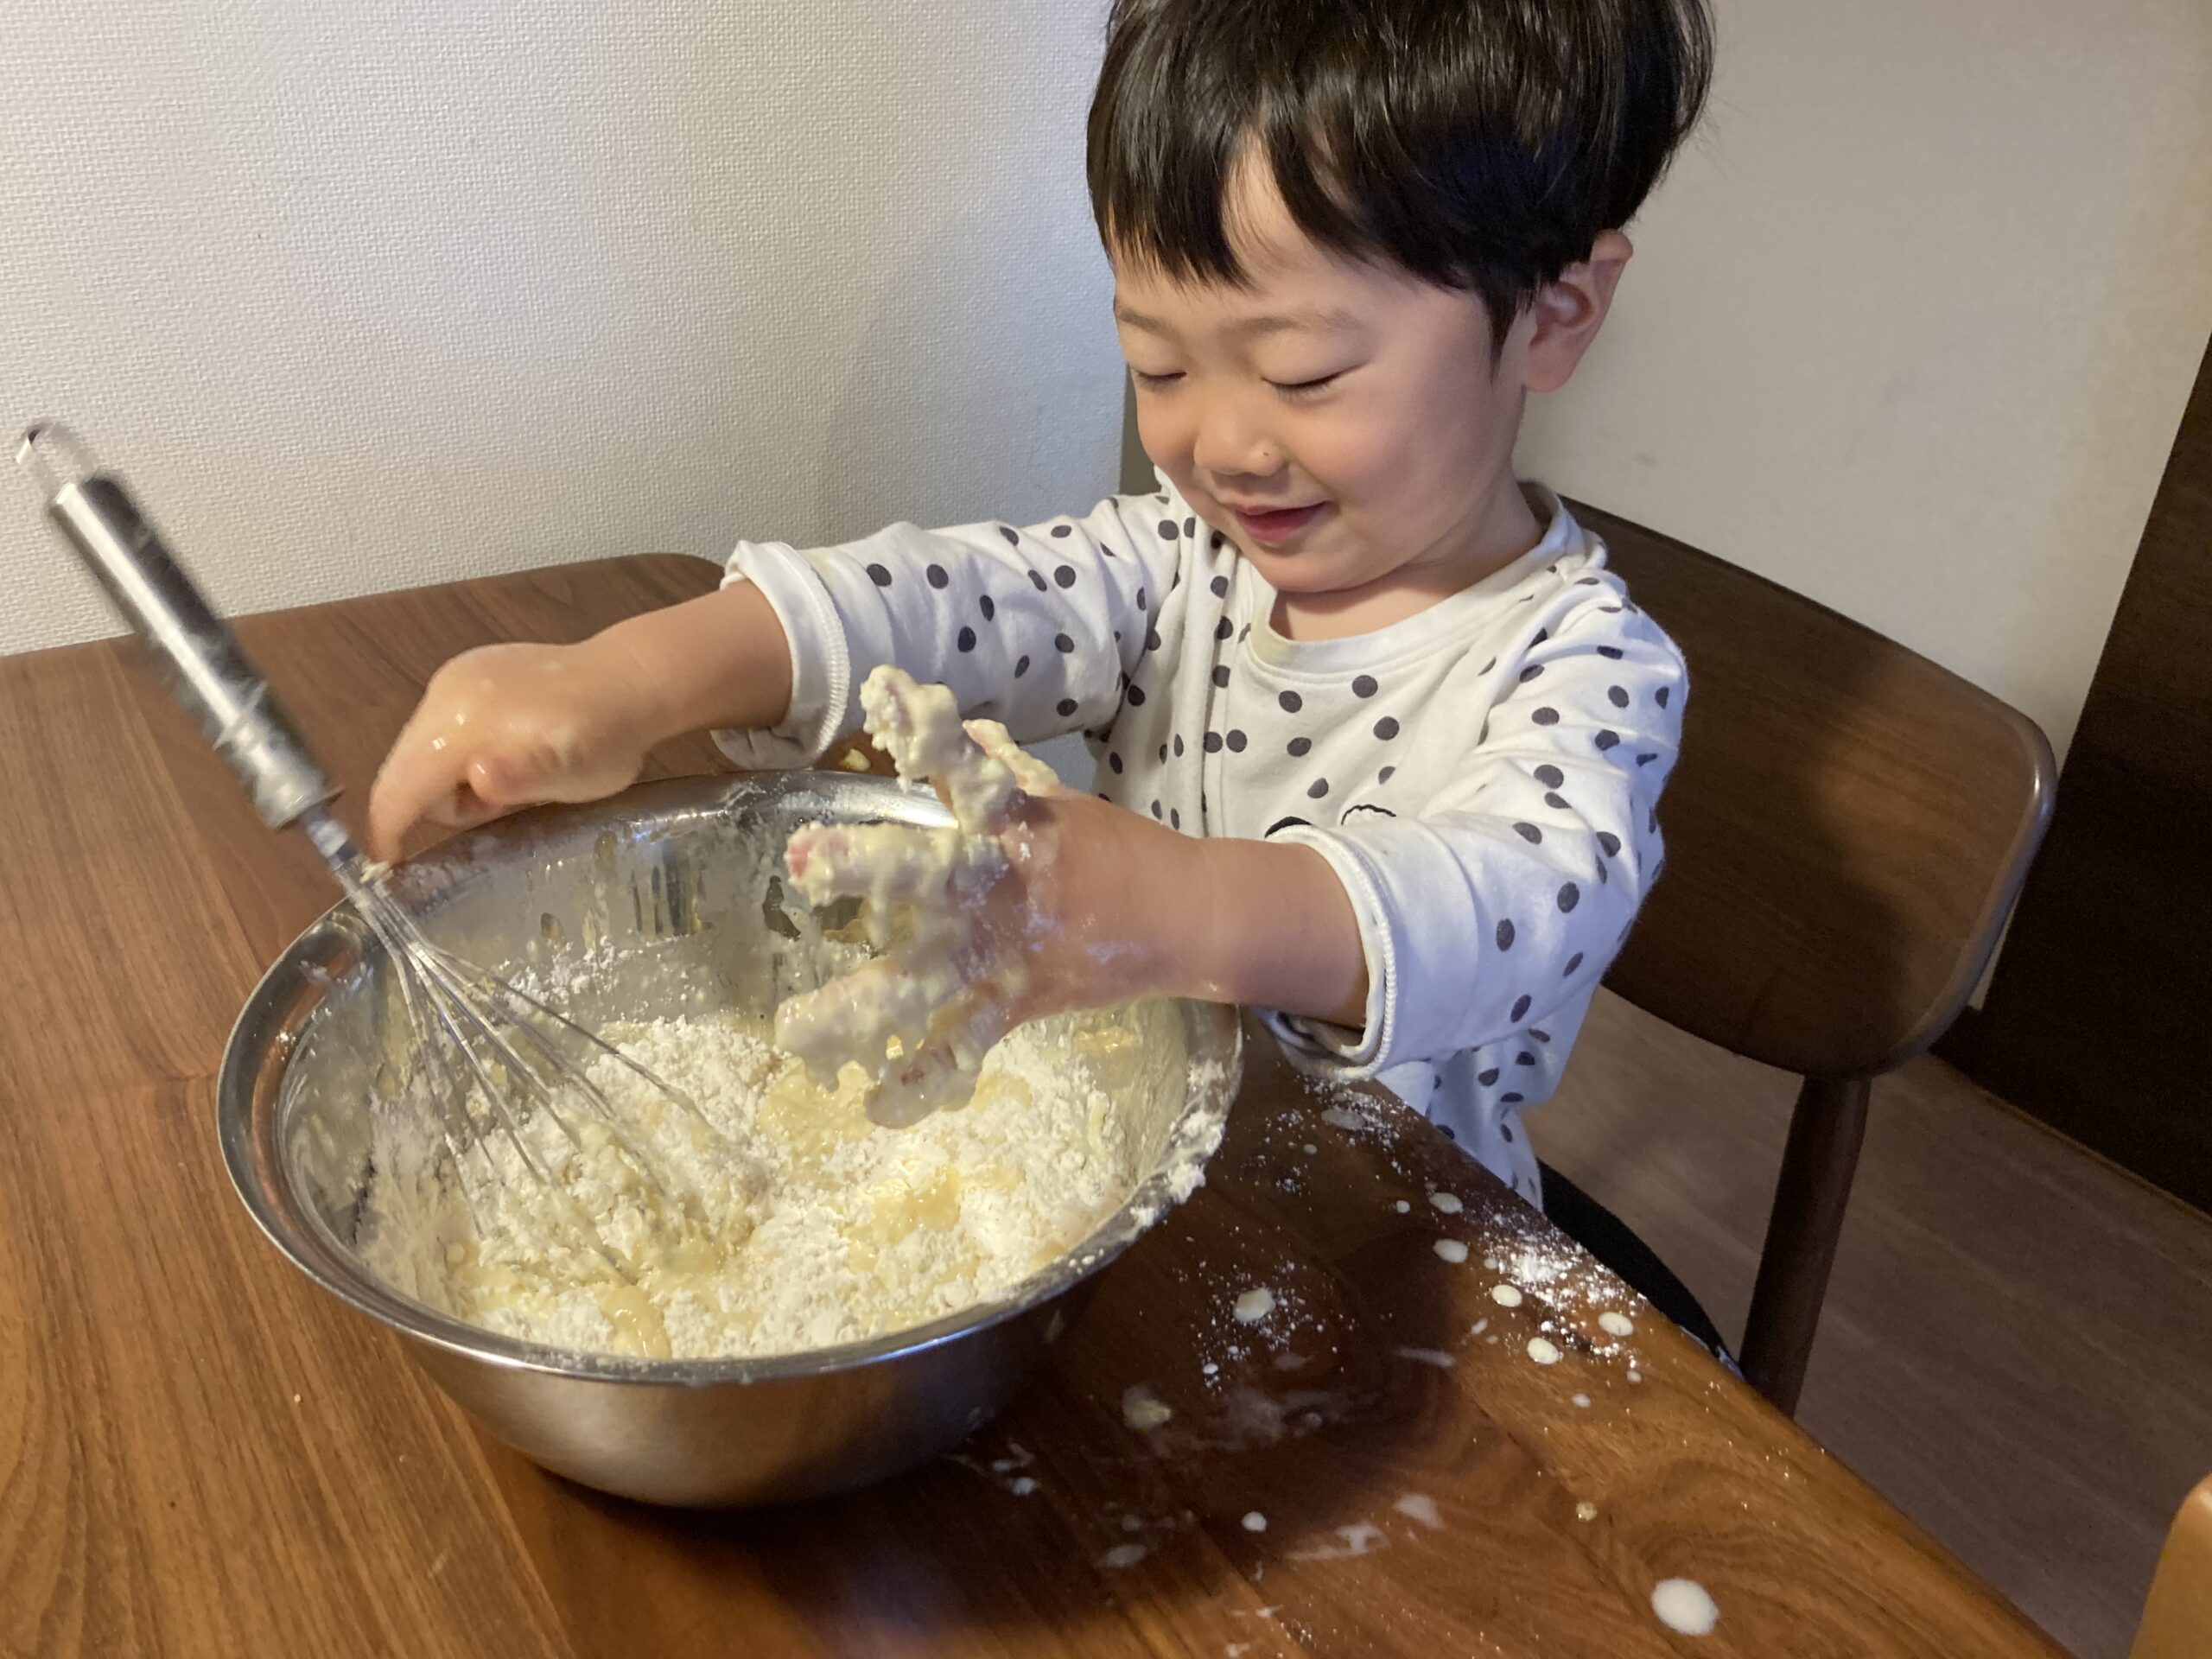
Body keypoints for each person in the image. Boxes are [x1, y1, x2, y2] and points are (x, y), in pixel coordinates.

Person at [369, 0, 1713, 1224]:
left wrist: (1175, 905)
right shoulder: (1185, 561)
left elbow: (1511, 908)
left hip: (1402, 1245)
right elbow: (955, 598)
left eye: (1305, 375)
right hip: (1148, 1195)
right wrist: (635, 677)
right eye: (1159, 365)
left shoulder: (1583, 671)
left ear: (1554, 315)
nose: (1222, 446)